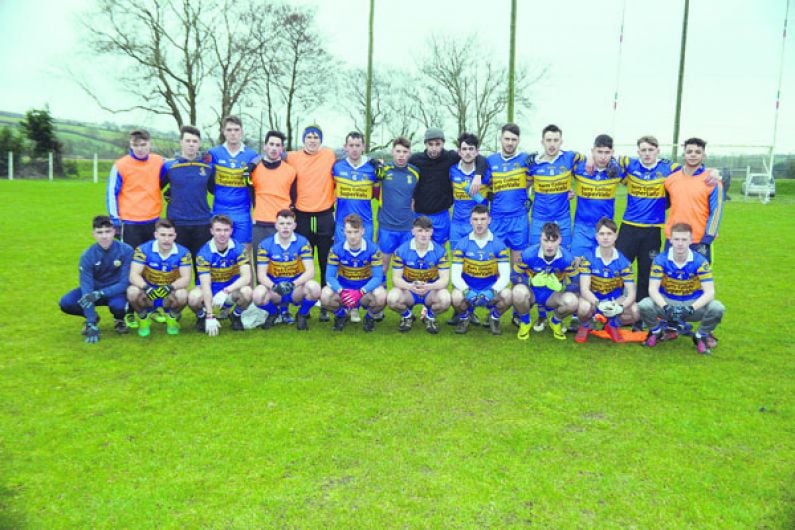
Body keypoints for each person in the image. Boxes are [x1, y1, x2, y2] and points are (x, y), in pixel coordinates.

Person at [615, 135, 681, 306]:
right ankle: (614, 308)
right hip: (628, 227)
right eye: (643, 150)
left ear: (658, 150)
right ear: (638, 152)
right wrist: (592, 157)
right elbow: (609, 159)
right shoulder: (629, 164)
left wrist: (712, 172)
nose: (647, 153)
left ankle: (641, 312)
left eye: (651, 150)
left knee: (646, 272)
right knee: (619, 269)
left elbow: (691, 169)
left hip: (652, 230)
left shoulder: (669, 167)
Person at [638, 222, 725, 354]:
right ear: (671, 240)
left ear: (690, 240)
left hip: (692, 305)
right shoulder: (660, 260)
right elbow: (653, 290)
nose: (680, 243)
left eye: (684, 239)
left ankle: (700, 336)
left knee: (717, 307)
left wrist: (690, 309)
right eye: (677, 239)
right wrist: (666, 307)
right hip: (668, 304)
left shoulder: (700, 261)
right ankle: (656, 332)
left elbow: (710, 292)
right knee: (644, 304)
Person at [59, 215, 134, 343]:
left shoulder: (126, 250)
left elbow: (124, 283)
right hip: (94, 291)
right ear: (93, 234)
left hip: (115, 292)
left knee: (118, 306)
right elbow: (86, 287)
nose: (104, 236)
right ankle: (94, 319)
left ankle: (119, 320)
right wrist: (91, 321)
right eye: (100, 232)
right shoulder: (87, 255)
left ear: (114, 231)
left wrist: (100, 293)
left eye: (107, 231)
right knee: (66, 302)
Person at [287, 125, 336, 314]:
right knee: (301, 262)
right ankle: (303, 303)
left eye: (316, 137)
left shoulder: (330, 155)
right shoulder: (292, 157)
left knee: (325, 261)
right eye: (309, 137)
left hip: (324, 215)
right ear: (303, 139)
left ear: (321, 140)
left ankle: (325, 301)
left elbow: (354, 154)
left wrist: (373, 160)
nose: (312, 140)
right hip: (302, 216)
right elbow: (268, 155)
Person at [410, 127, 487, 246]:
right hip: (421, 213)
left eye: (438, 144)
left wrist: (478, 175)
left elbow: (477, 157)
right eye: (430, 144)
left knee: (440, 251)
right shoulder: (415, 159)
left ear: (443, 143)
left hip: (442, 214)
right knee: (420, 250)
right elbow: (399, 165)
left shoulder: (450, 157)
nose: (434, 148)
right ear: (425, 144)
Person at [252, 209, 321, 331]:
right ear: (276, 225)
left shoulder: (303, 242)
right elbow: (261, 275)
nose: (285, 227)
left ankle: (302, 314)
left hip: (295, 289)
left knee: (314, 288)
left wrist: (293, 284)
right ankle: (274, 313)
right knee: (257, 295)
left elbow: (310, 271)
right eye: (282, 224)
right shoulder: (265, 244)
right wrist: (274, 286)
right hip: (276, 290)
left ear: (294, 226)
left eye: (289, 224)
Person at [574, 217, 640, 343]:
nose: (605, 237)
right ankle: (585, 325)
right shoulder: (588, 257)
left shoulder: (623, 261)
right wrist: (599, 303)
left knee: (636, 311)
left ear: (616, 236)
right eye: (602, 234)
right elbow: (584, 289)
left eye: (609, 234)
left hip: (614, 301)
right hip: (594, 300)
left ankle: (613, 325)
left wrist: (620, 307)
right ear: (596, 236)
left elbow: (631, 292)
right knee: (583, 307)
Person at [449, 205, 512, 335]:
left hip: (490, 289)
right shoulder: (462, 244)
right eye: (475, 219)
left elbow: (505, 276)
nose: (479, 223)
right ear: (470, 221)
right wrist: (466, 291)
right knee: (455, 296)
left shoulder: (499, 245)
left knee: (508, 295)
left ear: (489, 220)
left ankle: (493, 318)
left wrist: (492, 291)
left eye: (483, 219)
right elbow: (455, 276)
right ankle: (464, 317)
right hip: (469, 289)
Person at [187, 215, 253, 336]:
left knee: (247, 292)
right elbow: (205, 285)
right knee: (193, 298)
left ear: (231, 231)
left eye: (226, 230)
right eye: (218, 230)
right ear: (211, 231)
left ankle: (235, 316)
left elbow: (246, 277)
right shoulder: (203, 253)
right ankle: (202, 317)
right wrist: (210, 316)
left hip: (230, 287)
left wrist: (226, 291)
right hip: (211, 288)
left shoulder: (239, 249)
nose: (222, 234)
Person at [321, 214, 387, 332]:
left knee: (381, 296)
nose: (352, 236)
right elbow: (329, 277)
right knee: (324, 295)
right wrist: (341, 291)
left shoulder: (373, 249)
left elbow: (378, 277)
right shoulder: (336, 250)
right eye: (349, 232)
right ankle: (341, 315)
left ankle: (369, 317)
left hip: (365, 291)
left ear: (363, 231)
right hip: (344, 291)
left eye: (356, 232)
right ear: (343, 232)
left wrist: (361, 291)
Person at [512, 222, 578, 341]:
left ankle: (555, 321)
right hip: (532, 293)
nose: (549, 245)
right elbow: (514, 275)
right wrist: (529, 280)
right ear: (540, 239)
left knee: (572, 301)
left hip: (552, 296)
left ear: (560, 240)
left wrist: (562, 287)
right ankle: (525, 322)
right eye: (546, 240)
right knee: (518, 292)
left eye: (553, 241)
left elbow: (576, 282)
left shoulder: (567, 259)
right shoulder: (528, 254)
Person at [127, 219, 193, 337]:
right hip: (148, 294)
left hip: (169, 294)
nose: (166, 239)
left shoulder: (183, 252)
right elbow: (133, 275)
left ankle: (171, 318)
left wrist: (170, 287)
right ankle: (144, 318)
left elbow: (186, 278)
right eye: (163, 235)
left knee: (183, 294)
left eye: (170, 235)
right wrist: (146, 287)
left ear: (175, 236)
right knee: (132, 292)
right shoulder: (143, 249)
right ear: (156, 235)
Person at [387, 216, 451, 334]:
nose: (423, 234)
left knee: (446, 299)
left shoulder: (441, 252)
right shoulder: (401, 251)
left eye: (427, 231)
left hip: (430, 292)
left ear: (431, 232)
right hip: (409, 291)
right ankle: (407, 316)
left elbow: (445, 280)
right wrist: (410, 286)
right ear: (413, 231)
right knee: (392, 299)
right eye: (420, 230)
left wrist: (429, 287)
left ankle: (430, 317)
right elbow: (396, 279)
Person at [664, 137, 724, 263]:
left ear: (704, 155)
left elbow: (716, 212)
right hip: (673, 238)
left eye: (697, 152)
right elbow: (665, 204)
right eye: (689, 151)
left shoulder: (712, 181)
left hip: (699, 240)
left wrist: (707, 239)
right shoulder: (671, 179)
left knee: (700, 280)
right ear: (684, 154)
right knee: (670, 279)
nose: (693, 155)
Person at [162, 125, 214, 270]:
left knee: (202, 269)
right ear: (181, 142)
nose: (191, 144)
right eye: (188, 141)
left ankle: (201, 293)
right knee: (176, 269)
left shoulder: (208, 167)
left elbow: (215, 190)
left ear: (199, 144)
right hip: (177, 224)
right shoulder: (169, 166)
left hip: (202, 223)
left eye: (194, 141)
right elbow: (156, 188)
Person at [526, 124, 584, 250]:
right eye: (548, 140)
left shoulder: (570, 157)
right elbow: (524, 185)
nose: (552, 144)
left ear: (561, 142)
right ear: (542, 142)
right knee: (534, 253)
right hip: (539, 217)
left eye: (556, 140)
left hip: (562, 218)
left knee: (565, 255)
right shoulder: (534, 163)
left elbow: (589, 161)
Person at [107, 129, 166, 250]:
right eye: (136, 145)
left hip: (153, 221)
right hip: (129, 222)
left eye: (143, 145)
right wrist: (114, 218)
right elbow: (112, 193)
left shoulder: (159, 161)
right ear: (130, 145)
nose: (140, 149)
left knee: (151, 261)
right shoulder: (120, 165)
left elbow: (175, 172)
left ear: (150, 144)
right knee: (130, 261)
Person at [485, 123, 534, 267]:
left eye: (513, 139)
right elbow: (482, 186)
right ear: (501, 139)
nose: (510, 143)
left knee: (518, 268)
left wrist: (568, 190)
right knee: (493, 267)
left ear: (518, 141)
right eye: (507, 139)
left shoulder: (526, 160)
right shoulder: (490, 160)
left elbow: (539, 178)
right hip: (497, 219)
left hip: (518, 219)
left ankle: (517, 289)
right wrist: (485, 197)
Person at [207, 116, 260, 249]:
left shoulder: (252, 155)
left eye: (236, 129)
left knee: (244, 254)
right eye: (229, 129)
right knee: (219, 253)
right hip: (220, 211)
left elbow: (254, 181)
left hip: (242, 213)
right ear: (223, 131)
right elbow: (204, 178)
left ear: (242, 132)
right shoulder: (213, 153)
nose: (233, 133)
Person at [571, 134, 625, 258]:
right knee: (576, 268)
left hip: (605, 229)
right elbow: (563, 173)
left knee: (601, 269)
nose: (603, 156)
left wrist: (613, 161)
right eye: (599, 152)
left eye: (607, 152)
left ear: (612, 152)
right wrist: (568, 188)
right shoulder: (580, 168)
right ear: (592, 151)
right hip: (582, 228)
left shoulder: (616, 172)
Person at [377, 136, 420, 274]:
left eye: (404, 152)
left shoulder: (415, 173)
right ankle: (381, 295)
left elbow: (417, 198)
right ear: (392, 152)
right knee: (383, 267)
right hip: (386, 227)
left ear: (409, 154)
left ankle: (401, 295)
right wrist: (375, 164)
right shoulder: (383, 169)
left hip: (407, 228)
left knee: (407, 269)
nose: (401, 155)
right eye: (398, 151)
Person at [249, 130, 297, 253]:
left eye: (278, 145)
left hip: (282, 225)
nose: (274, 148)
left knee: (281, 267)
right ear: (265, 147)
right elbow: (250, 195)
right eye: (271, 144)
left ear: (282, 149)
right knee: (260, 265)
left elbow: (294, 198)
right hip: (259, 224)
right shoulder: (253, 170)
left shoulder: (290, 171)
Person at [332, 131, 380, 243]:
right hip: (342, 223)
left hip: (365, 223)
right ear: (345, 147)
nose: (354, 149)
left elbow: (377, 196)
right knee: (341, 258)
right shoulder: (337, 167)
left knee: (365, 257)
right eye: (351, 145)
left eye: (358, 145)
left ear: (363, 147)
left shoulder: (373, 169)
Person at [450, 132, 488, 247]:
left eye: (471, 149)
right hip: (457, 225)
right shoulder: (452, 171)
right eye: (464, 149)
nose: (467, 152)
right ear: (459, 152)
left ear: (477, 152)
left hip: (478, 224)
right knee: (457, 261)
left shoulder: (486, 173)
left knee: (477, 262)